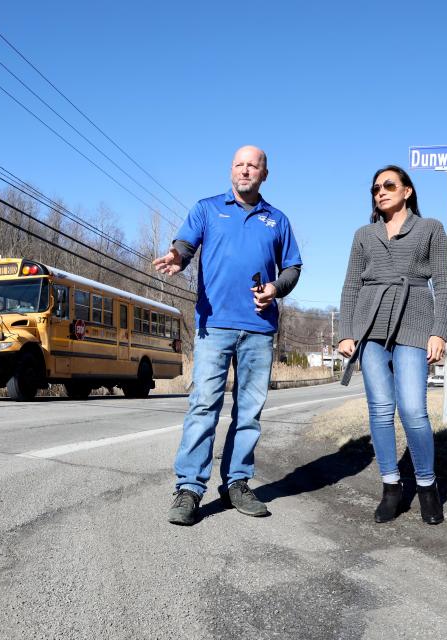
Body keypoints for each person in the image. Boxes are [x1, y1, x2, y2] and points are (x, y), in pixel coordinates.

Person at [153, 145, 302, 526]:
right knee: (204, 405)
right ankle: (189, 488)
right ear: (231, 171)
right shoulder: (207, 209)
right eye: (239, 164)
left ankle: (236, 482)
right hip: (213, 325)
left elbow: (292, 268)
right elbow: (186, 245)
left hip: (258, 328)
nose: (245, 170)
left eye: (253, 165)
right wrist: (176, 256)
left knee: (249, 412)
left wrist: (275, 288)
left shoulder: (277, 220)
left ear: (264, 174)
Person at [337, 165, 447, 525]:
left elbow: (446, 285)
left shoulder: (430, 228)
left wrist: (439, 331)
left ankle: (426, 486)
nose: (381, 192)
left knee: (413, 409)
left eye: (389, 185)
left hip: (415, 322)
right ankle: (391, 487)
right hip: (369, 326)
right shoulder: (364, 234)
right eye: (375, 188)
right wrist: (346, 331)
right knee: (380, 409)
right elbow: (351, 287)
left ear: (407, 191)